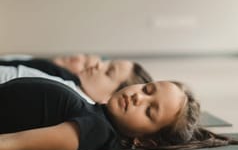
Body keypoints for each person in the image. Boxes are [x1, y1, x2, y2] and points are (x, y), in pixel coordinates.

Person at [0, 77, 238, 150]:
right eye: (147, 89)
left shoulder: (96, 131)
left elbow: (16, 143)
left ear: (146, 140)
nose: (139, 98)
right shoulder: (96, 114)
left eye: (149, 111)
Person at [0, 54, 153, 104]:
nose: (99, 65)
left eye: (108, 72)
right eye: (107, 64)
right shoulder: (66, 81)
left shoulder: (64, 95)